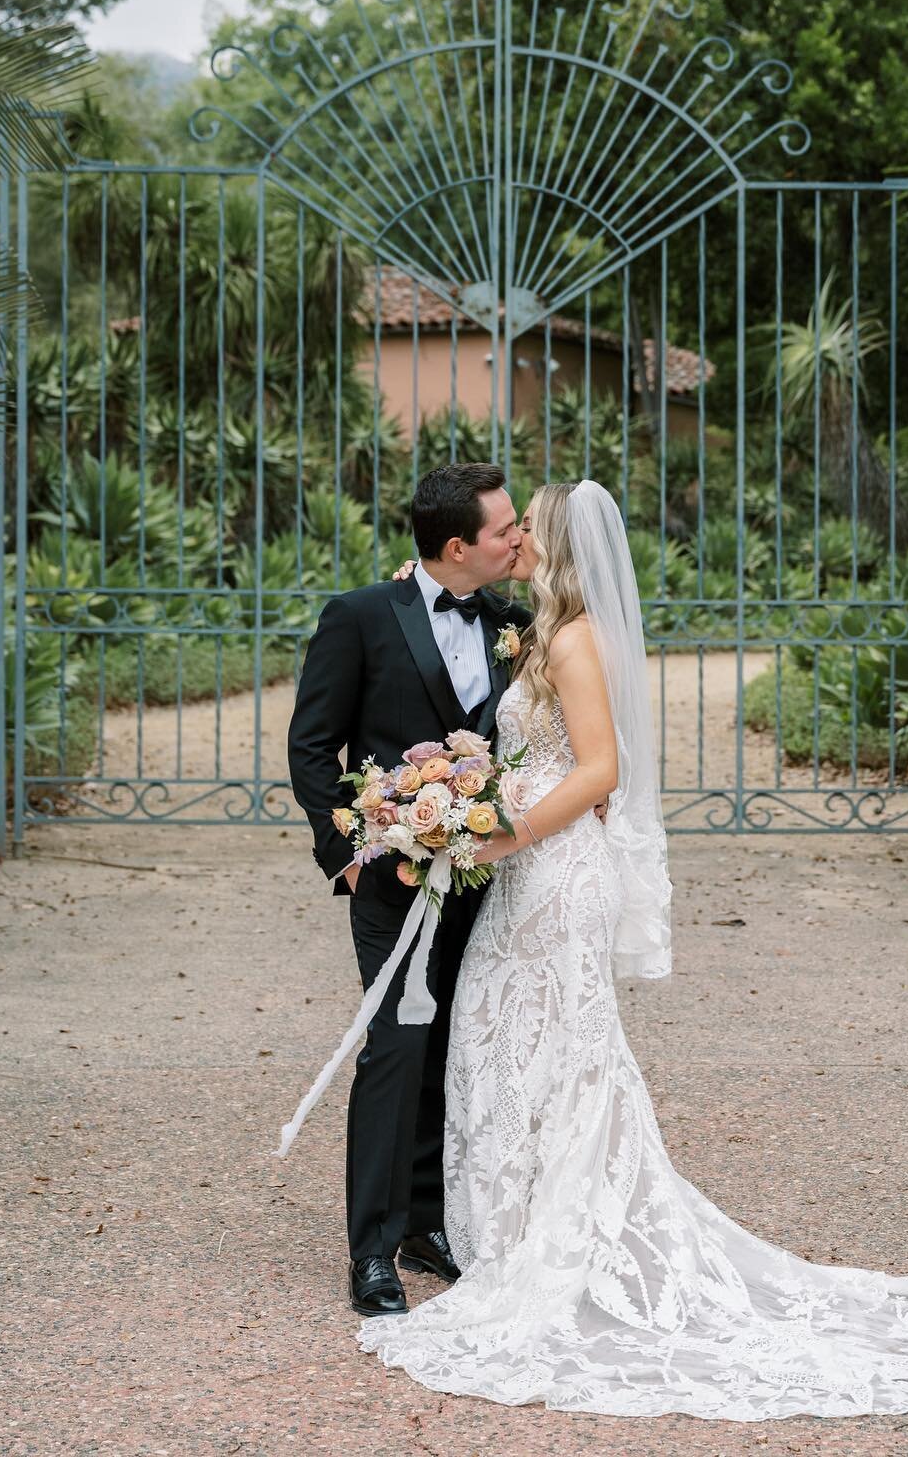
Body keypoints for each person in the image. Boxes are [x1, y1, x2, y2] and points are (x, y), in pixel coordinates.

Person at [356, 478, 908, 1422]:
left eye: (523, 530)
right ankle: (511, 1227)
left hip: (552, 872)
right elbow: (480, 662)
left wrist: (498, 836)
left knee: (560, 1043)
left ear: (550, 543)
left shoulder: (577, 640)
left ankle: (563, 1231)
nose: (513, 542)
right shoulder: (537, 630)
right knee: (507, 1038)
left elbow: (600, 770)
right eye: (504, 532)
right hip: (526, 874)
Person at [286, 462, 530, 1318]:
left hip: (493, 877)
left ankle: (431, 1220)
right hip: (392, 876)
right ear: (457, 545)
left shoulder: (514, 620)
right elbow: (314, 746)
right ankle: (374, 1252)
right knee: (394, 1048)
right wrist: (345, 851)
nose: (521, 537)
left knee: (459, 1045)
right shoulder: (360, 616)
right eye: (507, 527)